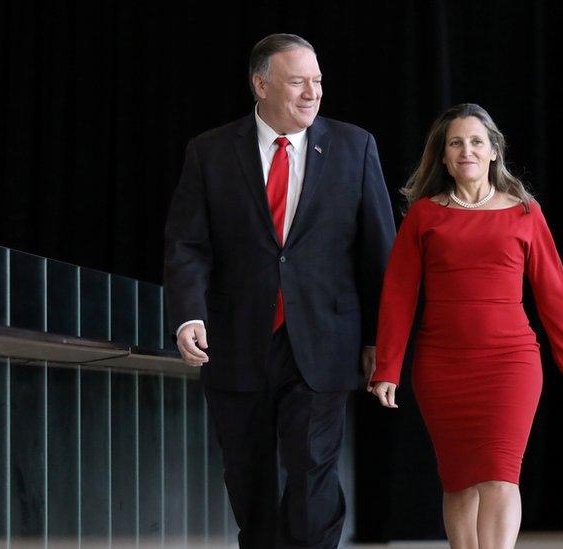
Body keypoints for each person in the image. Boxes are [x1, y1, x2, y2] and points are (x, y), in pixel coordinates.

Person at [164, 33, 395, 548]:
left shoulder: (354, 146)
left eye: (317, 81)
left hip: (324, 340)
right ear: (260, 85)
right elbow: (188, 245)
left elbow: (381, 254)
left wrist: (384, 342)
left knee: (313, 470)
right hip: (237, 338)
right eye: (298, 81)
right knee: (249, 480)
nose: (312, 92)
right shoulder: (211, 151)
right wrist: (188, 314)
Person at [368, 103, 563, 548]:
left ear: (494, 151)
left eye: (476, 141)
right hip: (442, 365)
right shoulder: (424, 215)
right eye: (456, 142)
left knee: (499, 475)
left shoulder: (525, 212)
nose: (466, 150)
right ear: (443, 155)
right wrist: (387, 368)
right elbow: (397, 296)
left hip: (510, 363)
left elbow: (554, 293)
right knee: (457, 480)